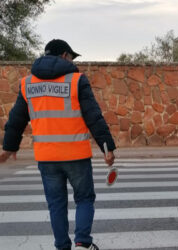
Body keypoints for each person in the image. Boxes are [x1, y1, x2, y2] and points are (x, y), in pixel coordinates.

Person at [0, 39, 116, 250]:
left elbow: (17, 119)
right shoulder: (76, 81)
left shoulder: (28, 84)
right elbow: (94, 117)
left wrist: (9, 147)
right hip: (76, 156)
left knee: (56, 204)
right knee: (84, 199)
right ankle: (82, 243)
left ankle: (62, 246)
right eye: (71, 56)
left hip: (47, 158)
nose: (72, 61)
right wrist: (107, 148)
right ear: (63, 56)